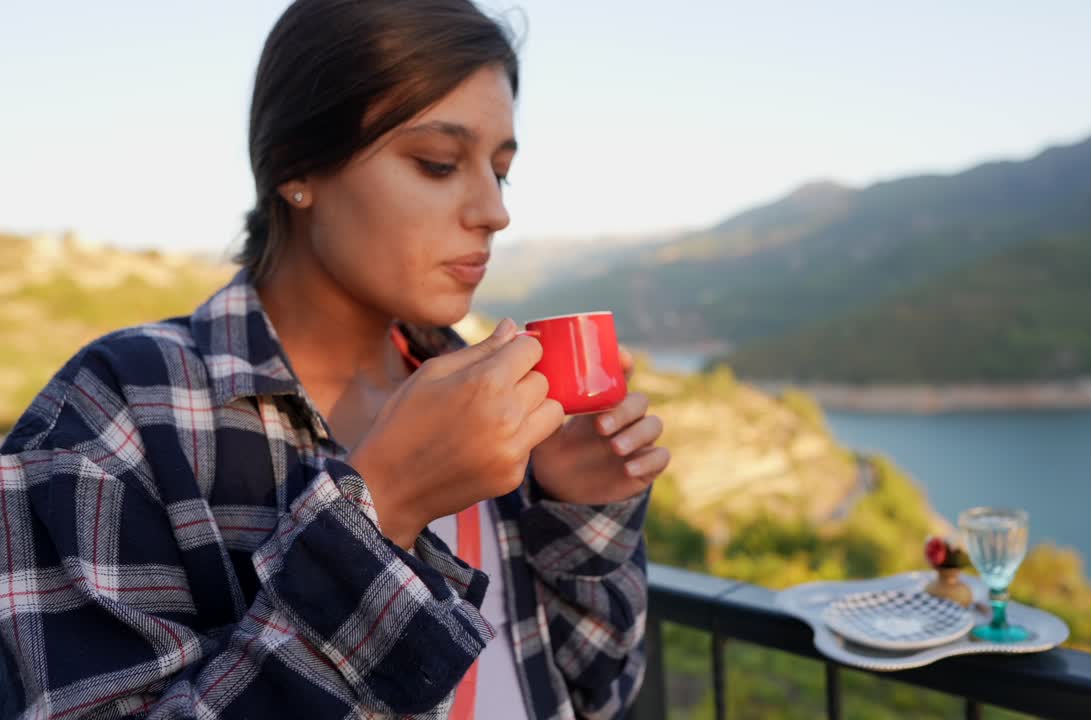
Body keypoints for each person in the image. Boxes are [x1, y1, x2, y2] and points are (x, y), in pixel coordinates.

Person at [0, 1, 668, 718]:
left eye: (500, 171)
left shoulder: (484, 397)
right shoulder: (117, 417)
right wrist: (383, 513)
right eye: (438, 163)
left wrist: (576, 508)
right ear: (297, 166)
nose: (493, 212)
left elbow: (593, 688)